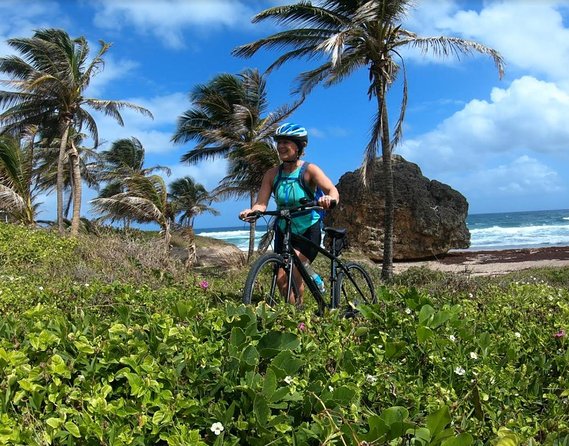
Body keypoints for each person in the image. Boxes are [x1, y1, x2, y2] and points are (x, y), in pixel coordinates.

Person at [239, 123, 340, 306]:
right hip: (284, 230)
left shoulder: (310, 170)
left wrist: (328, 199)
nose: (281, 147)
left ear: (299, 146)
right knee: (281, 278)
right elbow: (261, 203)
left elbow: (332, 190)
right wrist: (253, 211)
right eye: (279, 143)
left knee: (291, 273)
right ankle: (296, 313)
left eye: (286, 142)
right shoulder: (272, 174)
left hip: (308, 229)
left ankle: (298, 314)